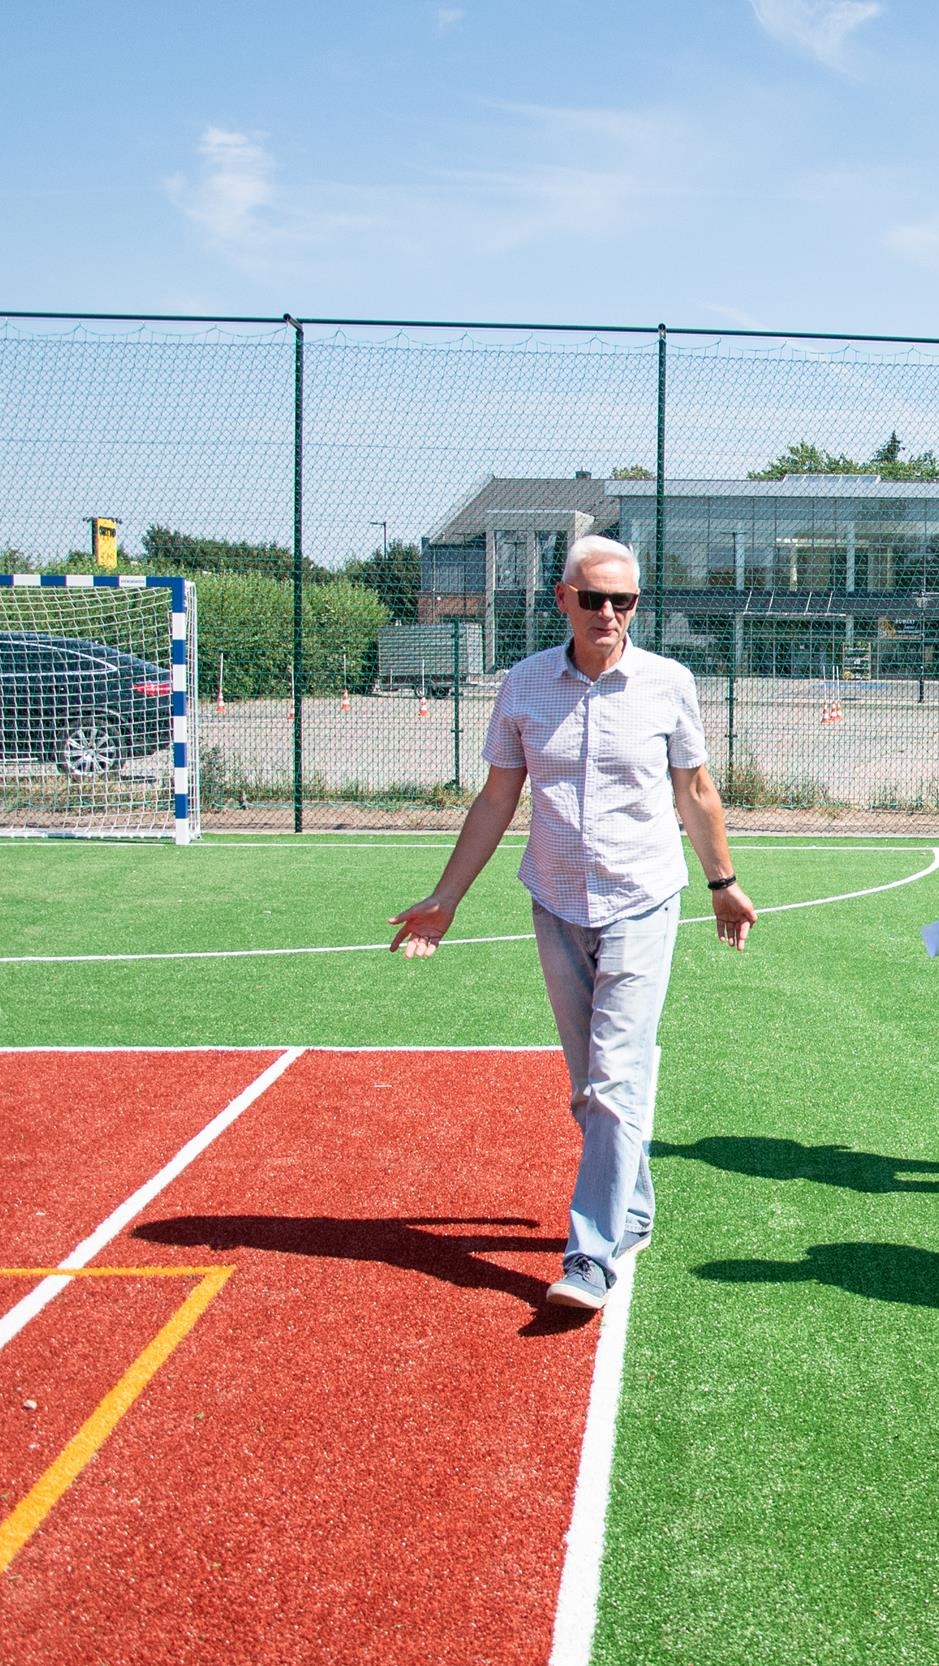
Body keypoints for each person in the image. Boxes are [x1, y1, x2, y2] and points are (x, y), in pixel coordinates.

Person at [389, 535, 756, 1314]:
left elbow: (695, 789)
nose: (611, 614)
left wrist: (723, 882)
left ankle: (588, 1257)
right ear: (563, 600)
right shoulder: (524, 685)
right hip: (555, 903)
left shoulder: (667, 683)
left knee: (615, 1080)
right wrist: (446, 896)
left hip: (643, 902)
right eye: (595, 599)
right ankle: (636, 1208)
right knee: (592, 1089)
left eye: (625, 601)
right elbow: (496, 799)